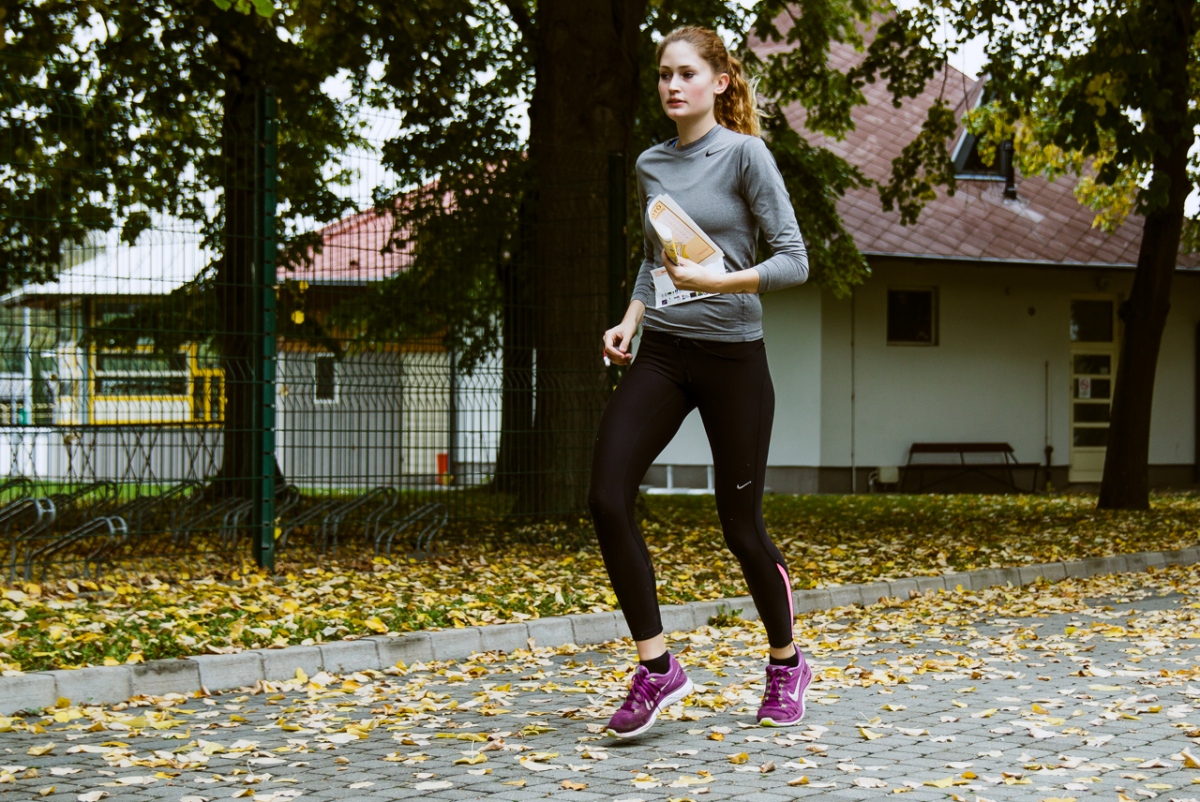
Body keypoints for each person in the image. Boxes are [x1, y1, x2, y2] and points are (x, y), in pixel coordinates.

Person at [588, 25, 812, 740]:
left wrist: (720, 282)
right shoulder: (651, 163)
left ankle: (786, 663)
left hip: (733, 359)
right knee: (606, 496)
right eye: (663, 74)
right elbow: (654, 258)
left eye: (686, 73)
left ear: (720, 82)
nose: (672, 85)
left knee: (740, 528)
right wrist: (630, 321)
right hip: (664, 353)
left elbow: (795, 261)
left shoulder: (745, 155)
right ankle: (657, 668)